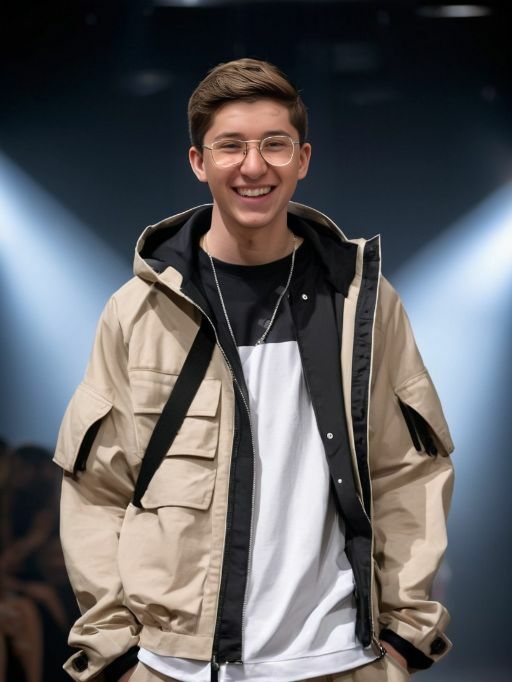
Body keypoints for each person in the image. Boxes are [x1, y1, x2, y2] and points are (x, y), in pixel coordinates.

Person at [54, 58, 454, 682]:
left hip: (340, 661)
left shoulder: (361, 304)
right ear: (198, 162)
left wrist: (403, 633)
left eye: (275, 144)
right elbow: (97, 489)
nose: (253, 166)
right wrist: (119, 656)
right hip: (175, 665)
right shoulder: (139, 312)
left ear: (303, 158)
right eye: (230, 146)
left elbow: (407, 472)